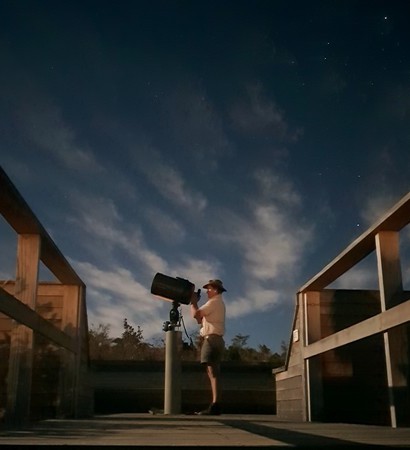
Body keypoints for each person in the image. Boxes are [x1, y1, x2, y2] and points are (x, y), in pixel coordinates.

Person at [190, 279, 226, 415]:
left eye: (209, 289)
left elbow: (196, 314)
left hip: (212, 339)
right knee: (213, 373)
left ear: (216, 290)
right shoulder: (217, 303)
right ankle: (216, 404)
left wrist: (193, 302)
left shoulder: (213, 302)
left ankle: (215, 405)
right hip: (216, 339)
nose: (207, 291)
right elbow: (200, 319)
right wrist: (195, 303)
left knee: (212, 373)